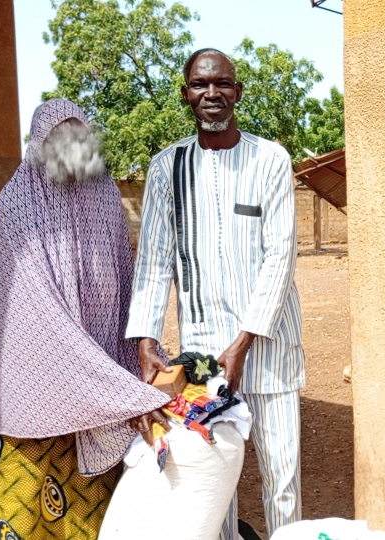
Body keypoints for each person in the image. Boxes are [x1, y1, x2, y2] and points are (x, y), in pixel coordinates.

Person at [0, 98, 171, 540]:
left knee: (90, 511)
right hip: (30, 385)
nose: (69, 145)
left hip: (95, 371)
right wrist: (117, 390)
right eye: (57, 135)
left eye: (78, 133)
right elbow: (37, 313)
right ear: (38, 143)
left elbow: (124, 278)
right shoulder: (17, 204)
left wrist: (133, 359)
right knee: (24, 510)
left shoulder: (105, 194)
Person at [126, 48, 304, 539]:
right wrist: (145, 338)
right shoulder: (167, 168)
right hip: (204, 354)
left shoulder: (270, 159)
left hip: (268, 351)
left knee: (281, 479)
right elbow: (155, 258)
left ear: (237, 92)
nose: (212, 94)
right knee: (212, 480)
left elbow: (280, 256)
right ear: (186, 95)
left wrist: (244, 342)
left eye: (222, 84)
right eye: (201, 85)